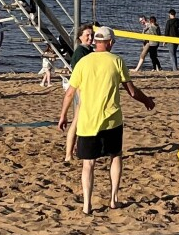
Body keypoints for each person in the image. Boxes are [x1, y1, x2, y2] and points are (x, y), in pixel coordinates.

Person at [57, 25, 154, 213]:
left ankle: (87, 205)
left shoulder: (83, 62)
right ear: (109, 43)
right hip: (111, 120)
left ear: (96, 41)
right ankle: (113, 199)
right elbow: (132, 92)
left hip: (88, 120)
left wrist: (63, 116)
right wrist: (147, 101)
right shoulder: (116, 60)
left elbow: (69, 93)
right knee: (115, 156)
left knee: (88, 163)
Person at [62, 23, 95, 163]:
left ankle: (77, 149)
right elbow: (78, 76)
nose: (90, 38)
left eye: (92, 35)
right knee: (76, 121)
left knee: (84, 122)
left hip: (89, 90)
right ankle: (68, 155)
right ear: (80, 37)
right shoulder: (80, 52)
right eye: (87, 35)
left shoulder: (90, 50)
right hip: (81, 90)